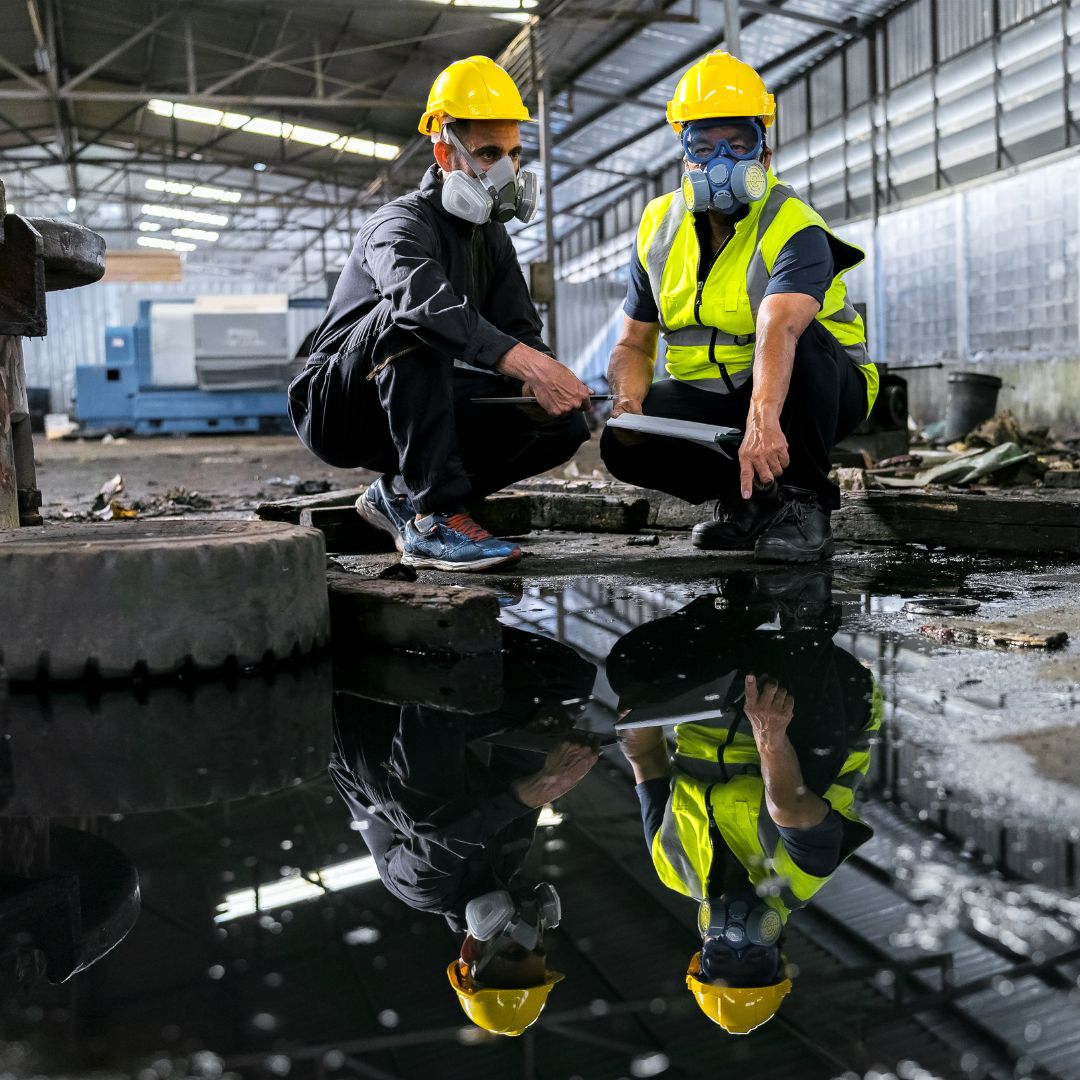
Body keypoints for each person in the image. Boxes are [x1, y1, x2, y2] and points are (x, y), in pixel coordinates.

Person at [288, 56, 592, 572]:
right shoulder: (398, 224)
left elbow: (520, 330)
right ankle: (433, 519)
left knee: (561, 425)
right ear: (444, 153)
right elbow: (419, 302)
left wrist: (541, 382)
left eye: (515, 155)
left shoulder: (491, 239)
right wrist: (526, 364)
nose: (507, 171)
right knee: (417, 319)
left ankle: (405, 492)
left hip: (413, 403)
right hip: (338, 406)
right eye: (490, 153)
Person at [601, 52, 879, 563]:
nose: (720, 160)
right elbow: (633, 342)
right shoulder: (656, 225)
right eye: (702, 146)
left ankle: (804, 505)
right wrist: (628, 403)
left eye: (739, 143)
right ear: (685, 159)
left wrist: (762, 421)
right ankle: (751, 502)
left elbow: (779, 330)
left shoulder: (793, 223)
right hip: (718, 392)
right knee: (622, 443)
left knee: (806, 338)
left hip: (818, 389)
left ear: (765, 157)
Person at [608, 569, 879, 1033]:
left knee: (629, 667)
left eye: (722, 956)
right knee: (802, 787)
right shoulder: (800, 879)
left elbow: (647, 759)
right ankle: (805, 613)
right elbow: (792, 808)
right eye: (755, 959)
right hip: (812, 700)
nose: (738, 941)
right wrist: (770, 735)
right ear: (779, 953)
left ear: (701, 952)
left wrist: (638, 714)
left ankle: (736, 607)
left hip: (720, 695)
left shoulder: (672, 867)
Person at [330, 628, 599, 1035]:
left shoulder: (422, 890)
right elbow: (518, 760)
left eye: (512, 951)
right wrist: (552, 735)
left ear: (471, 948)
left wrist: (541, 789)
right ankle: (444, 632)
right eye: (540, 947)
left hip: (362, 723)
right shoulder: (508, 858)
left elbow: (438, 841)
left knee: (435, 821)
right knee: (568, 684)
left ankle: (433, 669)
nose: (532, 934)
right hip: (438, 722)